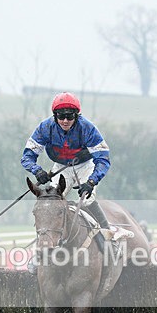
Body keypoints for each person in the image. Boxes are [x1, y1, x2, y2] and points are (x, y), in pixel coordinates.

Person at [21, 92, 132, 241]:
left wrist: (91, 182)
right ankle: (42, 245)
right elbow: (27, 157)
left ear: (77, 116)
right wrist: (37, 170)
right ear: (55, 116)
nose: (65, 120)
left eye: (70, 116)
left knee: (87, 200)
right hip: (61, 166)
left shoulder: (88, 128)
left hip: (86, 166)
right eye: (61, 116)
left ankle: (107, 236)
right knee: (51, 202)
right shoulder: (45, 128)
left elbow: (103, 160)